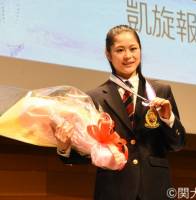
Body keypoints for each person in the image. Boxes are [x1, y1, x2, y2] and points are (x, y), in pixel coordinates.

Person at [56, 25, 186, 200]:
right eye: (120, 50)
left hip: (156, 188)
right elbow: (88, 154)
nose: (128, 56)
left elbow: (177, 144)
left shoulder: (160, 91)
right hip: (114, 189)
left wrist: (168, 118)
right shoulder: (94, 98)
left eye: (133, 49)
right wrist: (64, 148)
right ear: (108, 54)